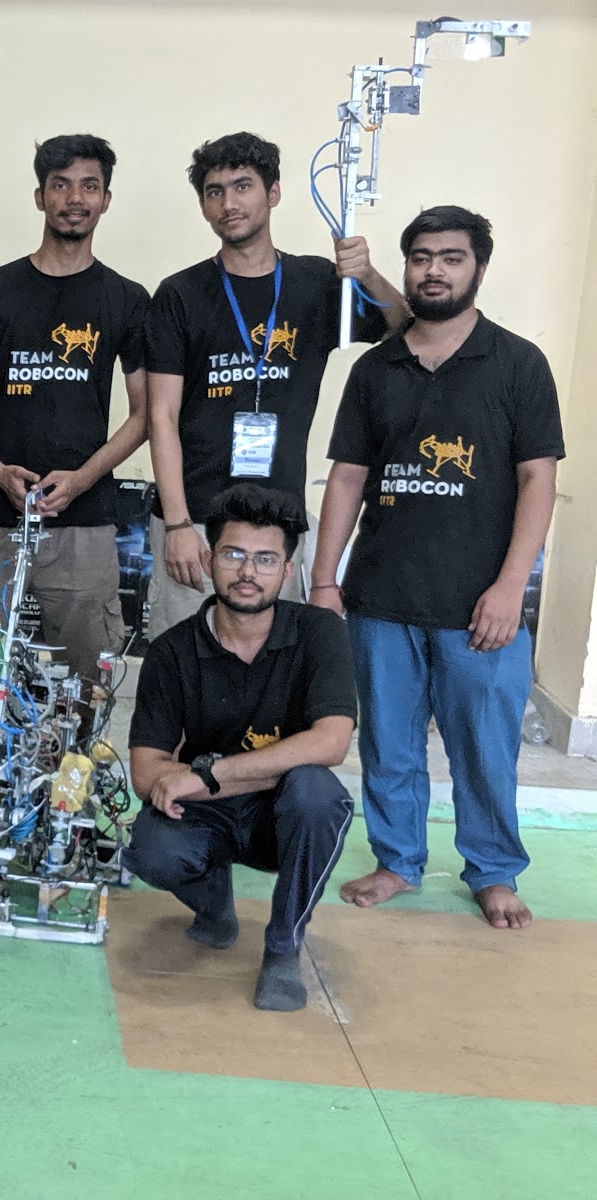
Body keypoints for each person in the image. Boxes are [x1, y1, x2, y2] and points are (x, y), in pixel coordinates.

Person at [312, 206, 562, 931]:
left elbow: (538, 480)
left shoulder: (518, 364)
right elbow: (348, 477)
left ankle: (494, 871)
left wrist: (511, 587)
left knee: (485, 750)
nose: (434, 271)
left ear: (478, 268)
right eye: (421, 257)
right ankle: (398, 860)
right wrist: (324, 581)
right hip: (381, 598)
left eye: (451, 258)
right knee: (387, 744)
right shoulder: (375, 368)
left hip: (481, 607)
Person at [144, 131, 405, 639]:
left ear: (274, 192)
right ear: (203, 206)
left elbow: (402, 328)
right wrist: (176, 523)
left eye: (243, 186)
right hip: (195, 518)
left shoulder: (317, 283)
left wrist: (368, 274)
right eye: (215, 191)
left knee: (270, 661)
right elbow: (161, 415)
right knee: (184, 660)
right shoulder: (180, 293)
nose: (229, 203)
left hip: (279, 518)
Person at [126, 484, 357, 1011]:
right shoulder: (171, 652)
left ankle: (283, 948)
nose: (248, 571)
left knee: (318, 794)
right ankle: (214, 908)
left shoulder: (320, 632)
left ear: (288, 570)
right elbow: (146, 773)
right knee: (150, 847)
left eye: (265, 559)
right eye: (233, 555)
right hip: (207, 814)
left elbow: (332, 741)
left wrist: (208, 774)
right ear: (209, 560)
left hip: (280, 815)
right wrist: (209, 782)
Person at [0, 134, 149, 680]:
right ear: (40, 197)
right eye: (60, 185)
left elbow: (143, 415)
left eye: (89, 186)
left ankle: (77, 745)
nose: (74, 198)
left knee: (86, 682)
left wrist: (84, 479)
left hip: (83, 527)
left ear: (106, 199)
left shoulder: (126, 298)